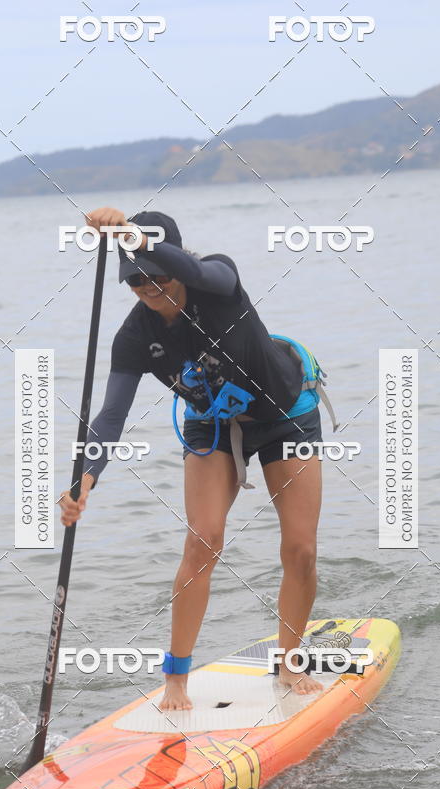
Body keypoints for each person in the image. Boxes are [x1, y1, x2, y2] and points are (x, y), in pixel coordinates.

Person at [60, 207, 326, 711]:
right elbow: (112, 414)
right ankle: (176, 679)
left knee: (301, 549)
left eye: (157, 273)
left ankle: (290, 663)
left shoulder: (217, 281)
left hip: (283, 412)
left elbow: (203, 271)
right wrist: (86, 476)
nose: (147, 284)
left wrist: (136, 238)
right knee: (204, 540)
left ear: (178, 263)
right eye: (134, 277)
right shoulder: (134, 337)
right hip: (212, 424)